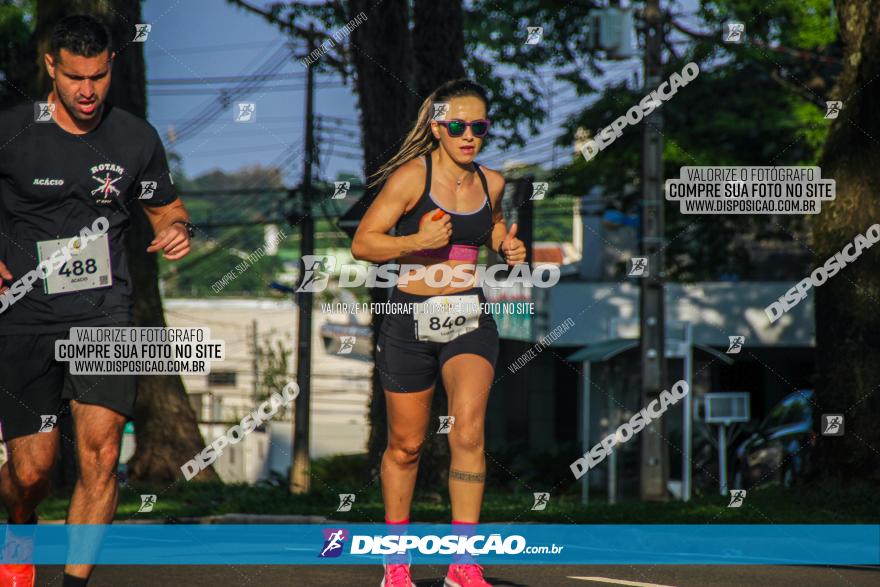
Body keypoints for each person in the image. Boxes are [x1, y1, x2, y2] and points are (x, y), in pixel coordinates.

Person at [0, 15, 191, 587]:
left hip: (104, 312)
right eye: (76, 77)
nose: (88, 91)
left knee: (103, 455)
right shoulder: (12, 130)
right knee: (32, 473)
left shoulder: (136, 137)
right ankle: (20, 523)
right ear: (51, 68)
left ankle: (75, 581)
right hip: (23, 315)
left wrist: (180, 228)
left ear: (113, 67)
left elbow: (166, 208)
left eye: (100, 77)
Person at [351, 79, 526, 587]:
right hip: (408, 316)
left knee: (468, 432)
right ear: (437, 127)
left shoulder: (491, 182)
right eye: (457, 126)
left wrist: (505, 246)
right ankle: (397, 562)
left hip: (468, 315)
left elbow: (489, 227)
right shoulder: (411, 177)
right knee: (406, 445)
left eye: (479, 127)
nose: (468, 135)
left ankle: (463, 565)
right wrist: (416, 240)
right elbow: (364, 243)